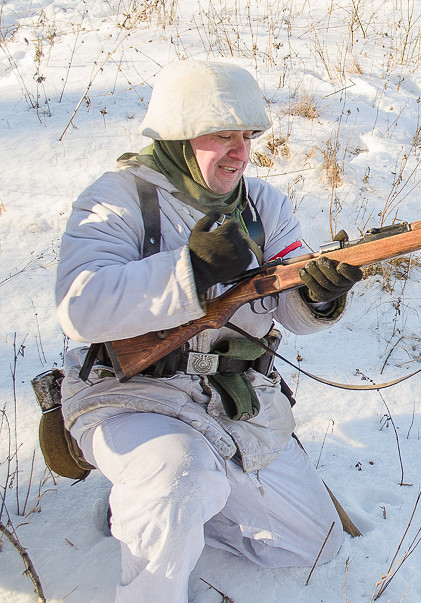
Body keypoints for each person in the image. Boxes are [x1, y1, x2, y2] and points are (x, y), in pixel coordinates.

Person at [55, 60, 362, 602]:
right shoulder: (116, 198)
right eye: (223, 136)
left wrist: (317, 294)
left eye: (248, 136)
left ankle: (161, 512)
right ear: (178, 133)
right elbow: (81, 307)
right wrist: (190, 271)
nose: (240, 152)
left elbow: (290, 311)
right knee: (177, 475)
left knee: (313, 546)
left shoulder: (264, 205)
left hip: (235, 401)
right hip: (133, 395)